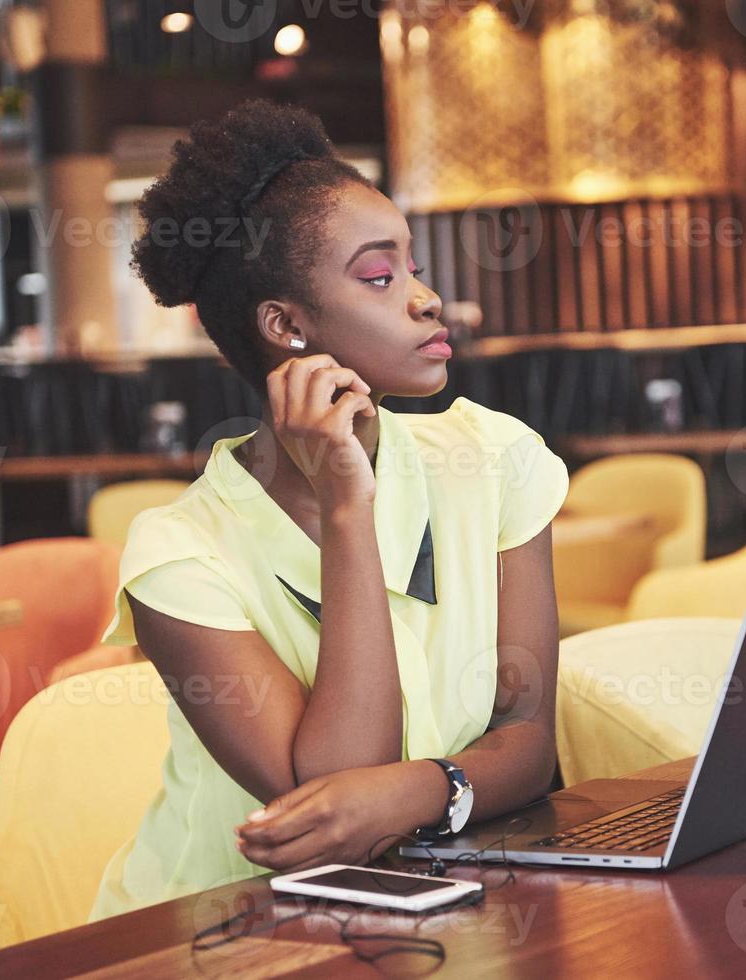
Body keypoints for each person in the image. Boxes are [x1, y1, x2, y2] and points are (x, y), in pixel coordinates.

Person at [88, 101, 568, 919]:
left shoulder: (495, 458)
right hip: (225, 934)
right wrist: (349, 510)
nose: (424, 298)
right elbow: (337, 807)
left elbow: (526, 743)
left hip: (440, 908)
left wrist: (421, 791)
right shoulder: (177, 558)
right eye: (381, 277)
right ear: (286, 326)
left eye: (412, 267)